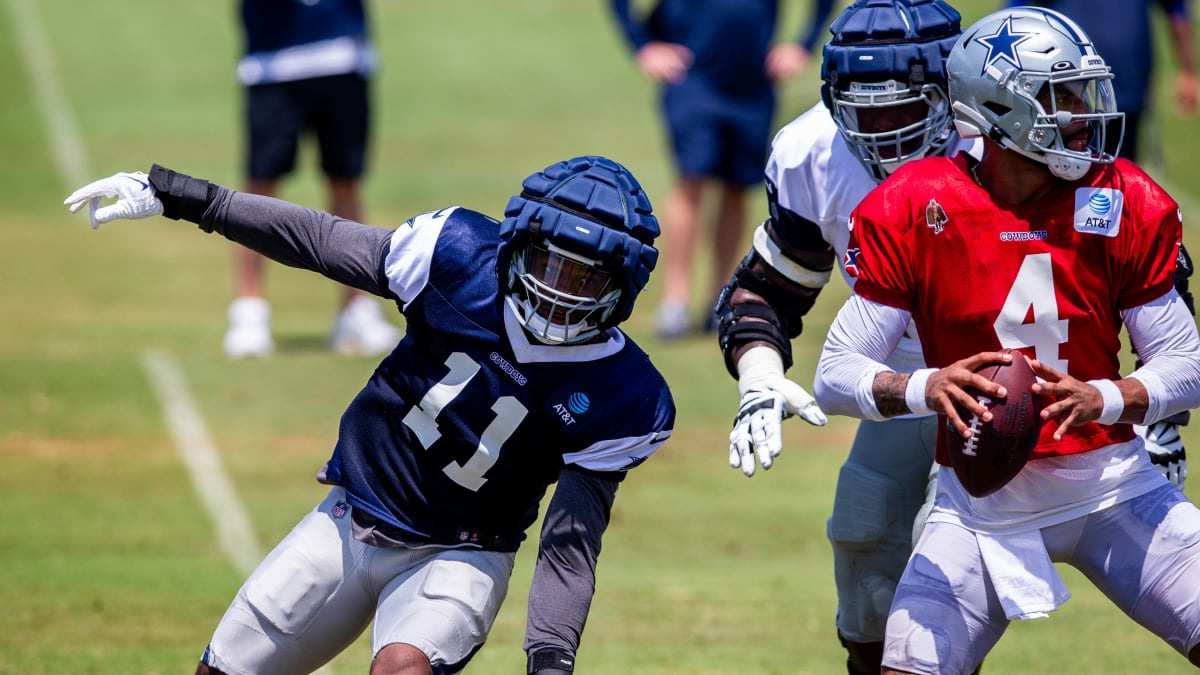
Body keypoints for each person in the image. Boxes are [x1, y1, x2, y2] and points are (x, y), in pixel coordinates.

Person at [64, 155, 676, 675]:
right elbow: (320, 239)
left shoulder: (624, 393)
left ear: (622, 285)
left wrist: (550, 660)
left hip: (462, 550)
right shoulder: (457, 257)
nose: (559, 290)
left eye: (584, 277)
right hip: (349, 519)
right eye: (548, 264)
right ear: (517, 245)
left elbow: (569, 547)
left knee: (401, 669)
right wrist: (184, 196)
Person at [813, 7, 1200, 672]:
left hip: (1112, 487)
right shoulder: (915, 203)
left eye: (1084, 92)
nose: (1084, 113)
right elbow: (834, 372)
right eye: (1063, 96)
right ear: (997, 109)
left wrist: (1105, 396)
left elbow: (1188, 363)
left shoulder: (1123, 197)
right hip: (978, 508)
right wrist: (926, 385)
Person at [714, 1, 975, 672]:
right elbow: (769, 292)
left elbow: (1118, 268)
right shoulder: (813, 152)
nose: (882, 133)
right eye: (863, 111)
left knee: (939, 571)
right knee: (864, 553)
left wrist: (1149, 407)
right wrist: (759, 375)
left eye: (900, 110)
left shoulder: (1001, 144)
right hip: (901, 384)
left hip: (1001, 387)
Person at [607, 0, 836, 339]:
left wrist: (802, 46)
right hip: (694, 79)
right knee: (691, 181)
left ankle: (720, 298)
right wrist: (644, 46)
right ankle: (676, 302)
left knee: (737, 188)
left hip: (754, 86)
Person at [228, 0, 400, 358]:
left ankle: (355, 310)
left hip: (343, 53)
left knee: (346, 183)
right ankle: (249, 312)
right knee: (261, 186)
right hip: (273, 61)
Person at [1009, 0, 1198, 163]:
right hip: (1063, 86)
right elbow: (1013, 16)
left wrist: (1187, 71)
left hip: (1127, 81)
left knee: (1116, 176)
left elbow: (1176, 9)